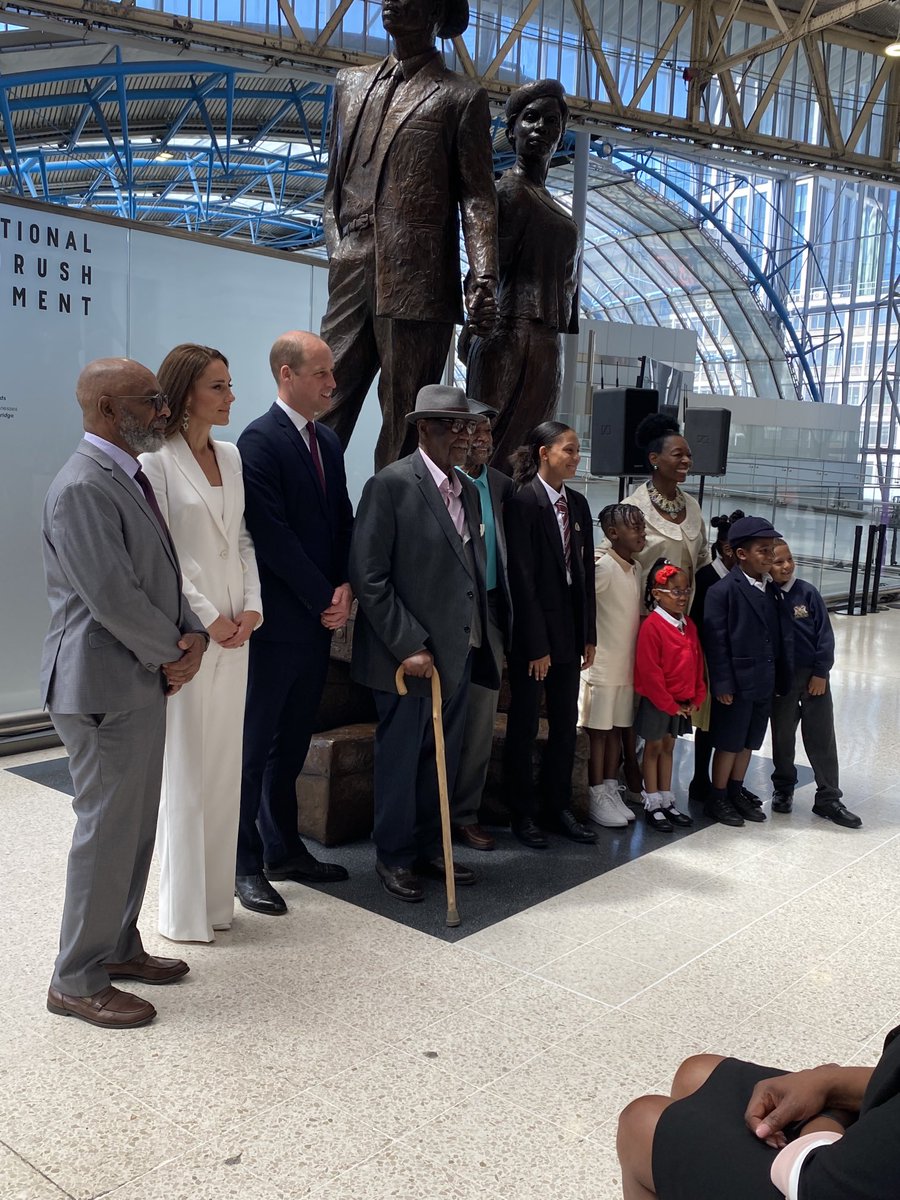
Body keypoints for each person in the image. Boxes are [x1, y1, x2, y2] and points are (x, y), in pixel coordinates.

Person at [41, 357, 208, 1029]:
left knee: (133, 828)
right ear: (110, 412)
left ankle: (115, 947)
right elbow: (112, 597)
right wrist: (173, 654)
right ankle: (74, 979)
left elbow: (158, 576)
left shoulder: (127, 475)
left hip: (134, 679)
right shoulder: (81, 486)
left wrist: (190, 632)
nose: (164, 413)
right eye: (152, 403)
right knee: (106, 833)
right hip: (103, 686)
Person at [319, 0, 498, 469]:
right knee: (325, 398)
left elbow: (478, 196)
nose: (393, 2)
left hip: (418, 275)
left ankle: (392, 523)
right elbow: (332, 183)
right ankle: (312, 511)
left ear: (436, 12)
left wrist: (483, 278)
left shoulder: (460, 97)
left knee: (404, 418)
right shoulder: (349, 83)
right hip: (353, 263)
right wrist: (339, 250)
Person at [349, 385, 498, 902]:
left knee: (443, 758)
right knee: (402, 757)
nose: (464, 436)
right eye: (451, 426)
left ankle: (431, 849)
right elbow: (369, 577)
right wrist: (408, 643)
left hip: (459, 653)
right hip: (407, 660)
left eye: (468, 426)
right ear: (422, 429)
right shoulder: (390, 486)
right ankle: (393, 856)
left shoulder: (469, 490)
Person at [139, 344, 263, 943]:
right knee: (187, 769)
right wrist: (210, 617)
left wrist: (252, 609)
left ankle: (218, 904)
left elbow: (242, 538)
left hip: (239, 633)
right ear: (187, 393)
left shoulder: (233, 456)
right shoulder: (155, 462)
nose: (231, 396)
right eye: (219, 386)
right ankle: (181, 913)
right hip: (192, 635)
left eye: (230, 385)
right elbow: (164, 554)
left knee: (223, 767)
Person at [235, 332, 354, 916]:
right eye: (322, 373)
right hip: (278, 624)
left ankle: (285, 850)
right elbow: (271, 536)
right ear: (287, 374)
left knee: (292, 745)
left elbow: (341, 521)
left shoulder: (326, 442)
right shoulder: (259, 441)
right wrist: (320, 596)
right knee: (254, 747)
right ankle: (243, 862)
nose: (333, 383)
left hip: (317, 623)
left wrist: (346, 587)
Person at [617, 1026, 900, 1199]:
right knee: (697, 1073)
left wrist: (831, 1116)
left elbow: (816, 1187)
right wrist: (831, 1084)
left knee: (642, 1123)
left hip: (821, 1181)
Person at [461, 78, 579, 473]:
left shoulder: (558, 209)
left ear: (561, 135)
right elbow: (486, 265)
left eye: (551, 121)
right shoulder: (509, 190)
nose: (541, 128)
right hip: (507, 333)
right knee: (487, 444)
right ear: (511, 129)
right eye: (530, 118)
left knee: (528, 449)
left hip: (546, 341)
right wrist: (472, 325)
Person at [502, 421, 597, 849]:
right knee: (524, 726)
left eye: (578, 452)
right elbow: (522, 580)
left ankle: (557, 806)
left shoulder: (577, 504)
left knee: (564, 724)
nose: (575, 458)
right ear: (544, 453)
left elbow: (584, 576)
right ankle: (522, 812)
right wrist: (536, 645)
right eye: (568, 450)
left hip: (568, 635)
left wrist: (587, 634)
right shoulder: (523, 502)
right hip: (534, 639)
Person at [450, 407, 515, 852]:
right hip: (447, 613)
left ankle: (464, 814)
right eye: (474, 428)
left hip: (490, 611)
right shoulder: (436, 484)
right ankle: (429, 813)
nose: (484, 437)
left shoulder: (503, 488)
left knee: (479, 719)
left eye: (489, 429)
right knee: (443, 716)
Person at [702, 515, 793, 828]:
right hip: (737, 683)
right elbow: (716, 643)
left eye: (771, 550)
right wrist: (723, 683)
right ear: (741, 554)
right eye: (763, 551)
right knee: (729, 742)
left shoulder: (770, 590)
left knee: (749, 742)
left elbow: (777, 639)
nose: (770, 557)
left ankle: (735, 790)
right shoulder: (723, 591)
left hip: (763, 681)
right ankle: (716, 797)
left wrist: (781, 678)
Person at [768, 539, 861, 828]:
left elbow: (825, 636)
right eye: (778, 562)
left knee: (821, 735)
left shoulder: (807, 593)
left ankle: (828, 796)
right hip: (780, 680)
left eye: (789, 559)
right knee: (782, 735)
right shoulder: (765, 595)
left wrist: (821, 672)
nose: (786, 566)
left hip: (813, 678)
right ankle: (783, 788)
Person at [578, 503, 645, 829]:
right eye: (635, 527)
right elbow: (583, 607)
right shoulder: (603, 568)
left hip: (625, 667)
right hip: (602, 667)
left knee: (617, 730)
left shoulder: (634, 568)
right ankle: (595, 794)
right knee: (600, 734)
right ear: (613, 533)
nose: (642, 533)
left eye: (643, 527)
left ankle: (608, 786)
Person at [688, 509, 755, 807]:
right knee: (707, 724)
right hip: (708, 661)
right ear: (729, 549)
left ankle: (728, 782)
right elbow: (697, 621)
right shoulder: (706, 578)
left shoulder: (748, 579)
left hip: (737, 661)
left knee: (733, 725)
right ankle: (699, 778)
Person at [633, 561, 704, 832]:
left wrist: (696, 697)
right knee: (653, 748)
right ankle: (652, 801)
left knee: (669, 747)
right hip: (660, 701)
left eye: (685, 590)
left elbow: (697, 663)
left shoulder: (689, 625)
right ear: (657, 593)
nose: (682, 596)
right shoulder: (653, 626)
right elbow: (650, 672)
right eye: (674, 591)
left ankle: (666, 797)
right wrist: (668, 704)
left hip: (681, 702)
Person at [616, 412, 711, 606]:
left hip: (684, 613)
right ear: (654, 459)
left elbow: (702, 558)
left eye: (689, 456)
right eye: (678, 455)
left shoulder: (692, 506)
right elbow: (612, 559)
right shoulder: (632, 507)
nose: (686, 461)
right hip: (642, 613)